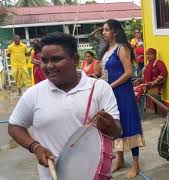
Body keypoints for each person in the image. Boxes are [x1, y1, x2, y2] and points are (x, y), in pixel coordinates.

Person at [7, 32, 122, 180]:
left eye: (56, 59)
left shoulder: (100, 88)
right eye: (44, 60)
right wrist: (35, 147)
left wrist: (110, 125)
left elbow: (117, 132)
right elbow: (14, 126)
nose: (49, 66)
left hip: (95, 175)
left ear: (75, 59)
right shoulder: (34, 93)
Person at [101, 19, 145, 179]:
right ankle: (119, 159)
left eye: (106, 30)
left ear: (115, 32)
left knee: (129, 123)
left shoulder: (122, 48)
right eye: (103, 30)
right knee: (115, 124)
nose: (103, 33)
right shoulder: (107, 50)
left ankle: (135, 164)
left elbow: (128, 73)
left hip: (122, 93)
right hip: (110, 94)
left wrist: (110, 86)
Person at [134, 48, 168, 115]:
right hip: (146, 85)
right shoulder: (148, 64)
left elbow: (164, 72)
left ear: (155, 55)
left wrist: (155, 81)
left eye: (150, 54)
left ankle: (139, 113)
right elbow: (146, 78)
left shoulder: (158, 62)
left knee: (136, 92)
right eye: (147, 54)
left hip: (154, 86)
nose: (148, 56)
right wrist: (139, 79)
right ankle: (137, 111)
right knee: (133, 90)